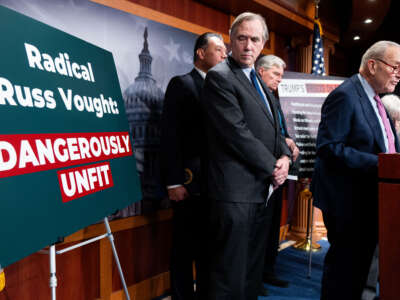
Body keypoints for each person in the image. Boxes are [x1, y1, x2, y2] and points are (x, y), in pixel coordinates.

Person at [201, 12, 292, 300]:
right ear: (231, 41)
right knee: (228, 278)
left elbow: (276, 128)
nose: (248, 45)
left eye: (254, 39)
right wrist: (274, 167)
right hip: (233, 194)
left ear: (263, 43)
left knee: (250, 275)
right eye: (242, 38)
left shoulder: (259, 80)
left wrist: (287, 157)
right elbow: (236, 133)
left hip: (259, 191)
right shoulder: (220, 77)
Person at [311, 40, 400, 300]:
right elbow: (329, 148)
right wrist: (381, 164)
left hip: (368, 200)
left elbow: (384, 141)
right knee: (344, 274)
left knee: (360, 272)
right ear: (372, 65)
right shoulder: (345, 95)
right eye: (395, 66)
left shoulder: (376, 99)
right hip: (347, 203)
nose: (399, 73)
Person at [160, 32, 227, 300]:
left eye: (225, 50)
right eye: (219, 49)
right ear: (201, 53)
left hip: (217, 184)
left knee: (209, 249)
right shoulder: (182, 84)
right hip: (188, 183)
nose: (224, 54)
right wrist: (174, 181)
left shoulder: (223, 87)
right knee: (184, 249)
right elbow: (170, 134)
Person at [255, 54, 299, 295]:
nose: (279, 81)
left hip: (278, 172)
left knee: (272, 227)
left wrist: (289, 144)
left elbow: (278, 132)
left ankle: (269, 270)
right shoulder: (253, 96)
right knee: (258, 231)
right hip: (261, 173)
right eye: (276, 75)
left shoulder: (273, 97)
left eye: (281, 76)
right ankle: (256, 277)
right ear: (261, 71)